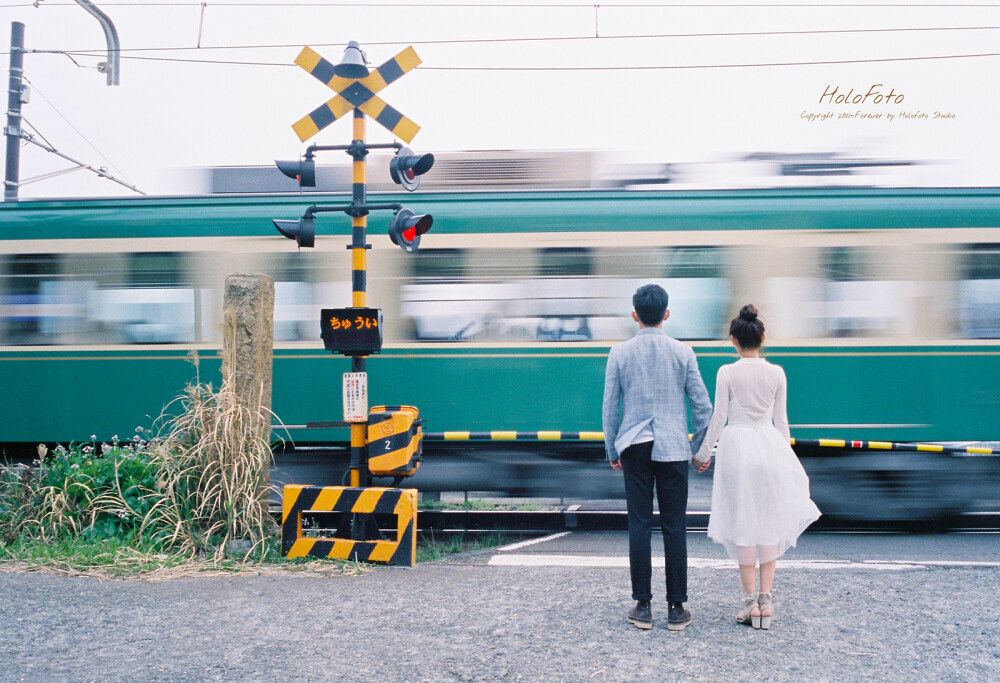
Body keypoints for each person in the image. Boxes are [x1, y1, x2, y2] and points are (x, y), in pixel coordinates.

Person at [692, 305, 821, 630]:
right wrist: (787, 458)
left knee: (744, 524)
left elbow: (718, 418)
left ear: (734, 340)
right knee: (768, 523)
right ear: (762, 338)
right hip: (770, 447)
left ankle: (749, 603)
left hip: (736, 449)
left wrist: (703, 453)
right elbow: (782, 422)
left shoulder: (726, 372)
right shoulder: (777, 373)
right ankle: (766, 601)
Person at [603, 284, 713, 631]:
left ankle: (642, 606)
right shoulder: (684, 352)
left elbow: (610, 408)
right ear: (666, 314)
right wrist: (699, 448)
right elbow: (703, 407)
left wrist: (612, 448)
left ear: (635, 315)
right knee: (674, 525)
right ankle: (677, 608)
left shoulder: (618, 353)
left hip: (635, 446)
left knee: (639, 523)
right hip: (673, 448)